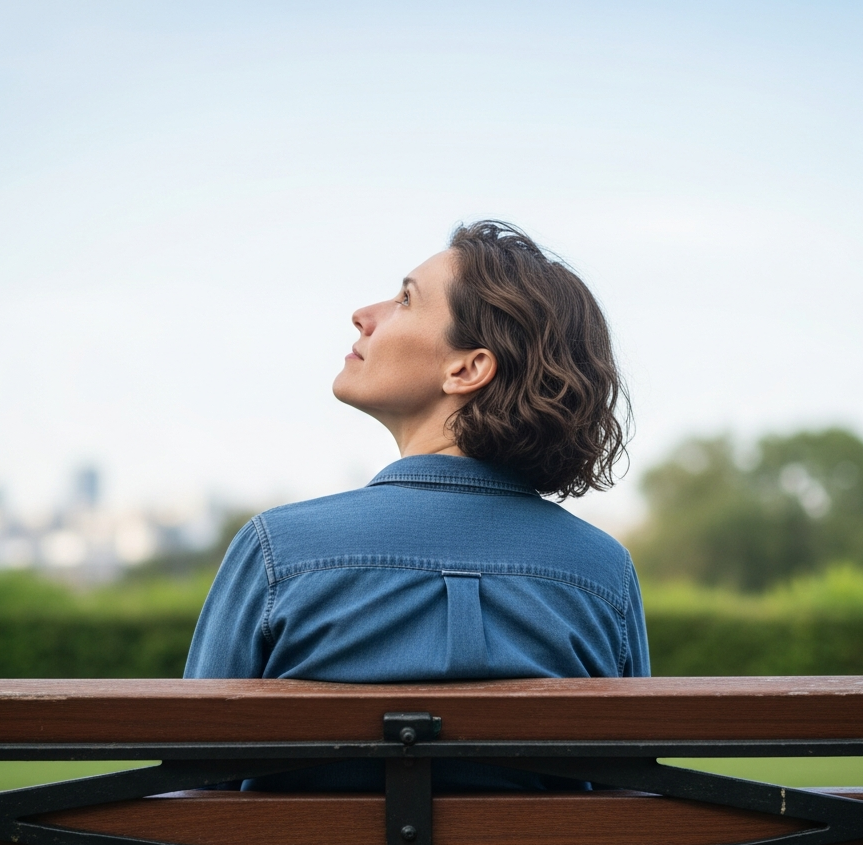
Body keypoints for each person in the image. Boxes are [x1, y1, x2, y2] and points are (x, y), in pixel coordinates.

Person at [184, 220, 649, 794]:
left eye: (405, 298)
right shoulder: (603, 571)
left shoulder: (277, 553)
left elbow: (194, 812)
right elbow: (628, 831)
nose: (364, 313)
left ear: (467, 369)